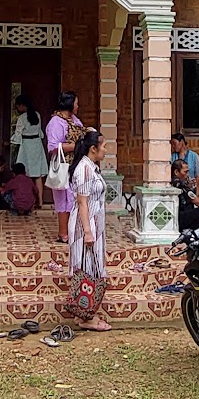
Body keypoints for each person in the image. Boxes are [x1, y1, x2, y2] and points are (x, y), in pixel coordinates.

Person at [67, 128, 111, 332]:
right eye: (103, 146)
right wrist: (87, 231)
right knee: (88, 270)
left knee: (89, 269)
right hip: (86, 224)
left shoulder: (90, 167)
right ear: (93, 149)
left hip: (93, 223)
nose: (105, 150)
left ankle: (85, 312)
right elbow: (82, 202)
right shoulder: (84, 169)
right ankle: (87, 317)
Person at [44, 92, 85, 242]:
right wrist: (76, 146)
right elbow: (53, 146)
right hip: (63, 166)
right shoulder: (56, 122)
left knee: (74, 198)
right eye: (76, 103)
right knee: (63, 200)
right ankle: (63, 233)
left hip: (75, 165)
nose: (77, 106)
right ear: (70, 104)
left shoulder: (74, 120)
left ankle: (73, 230)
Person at [11, 93, 49, 208]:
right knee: (38, 175)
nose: (17, 109)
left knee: (25, 173)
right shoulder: (37, 115)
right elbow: (40, 132)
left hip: (26, 145)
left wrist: (10, 142)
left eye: (18, 106)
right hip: (37, 144)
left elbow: (17, 135)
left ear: (22, 105)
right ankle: (40, 201)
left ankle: (28, 201)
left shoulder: (22, 118)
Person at [172, 163, 199, 232]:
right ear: (176, 172)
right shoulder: (178, 183)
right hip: (176, 217)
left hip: (176, 215)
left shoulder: (174, 181)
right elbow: (196, 201)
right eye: (185, 172)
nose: (187, 174)